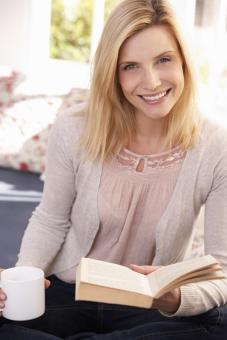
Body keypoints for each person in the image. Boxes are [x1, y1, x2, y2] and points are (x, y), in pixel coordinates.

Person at [1, 0, 227, 338]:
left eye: (163, 60)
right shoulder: (74, 125)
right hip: (68, 294)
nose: (150, 82)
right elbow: (51, 218)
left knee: (217, 324)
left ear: (184, 62)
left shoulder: (216, 145)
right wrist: (20, 282)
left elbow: (221, 269)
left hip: (151, 308)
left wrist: (175, 296)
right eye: (130, 66)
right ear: (112, 72)